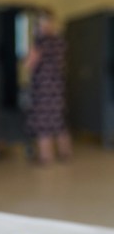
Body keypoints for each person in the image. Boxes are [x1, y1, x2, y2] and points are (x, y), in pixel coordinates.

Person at [25, 8, 72, 164]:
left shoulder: (40, 41)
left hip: (43, 88)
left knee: (43, 121)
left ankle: (46, 157)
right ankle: (65, 153)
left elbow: (30, 63)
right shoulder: (60, 41)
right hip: (57, 87)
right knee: (59, 120)